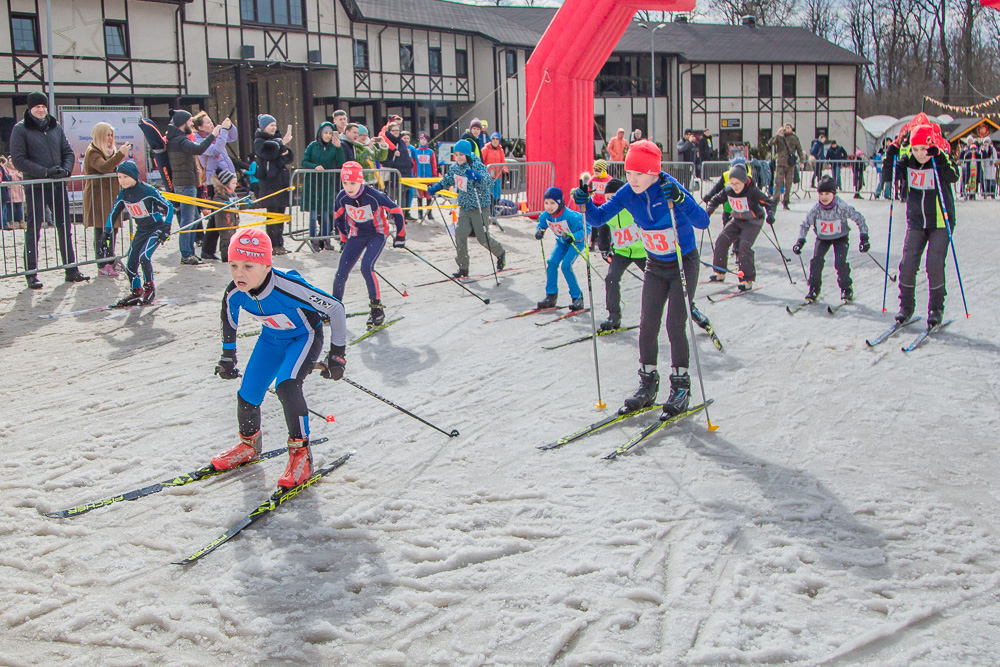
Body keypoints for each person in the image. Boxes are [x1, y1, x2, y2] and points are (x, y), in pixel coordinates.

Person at [572, 139, 710, 418]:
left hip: (684, 263)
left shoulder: (669, 187)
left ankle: (681, 386)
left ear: (653, 172)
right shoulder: (627, 193)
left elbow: (703, 221)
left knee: (674, 324)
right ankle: (647, 383)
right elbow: (599, 219)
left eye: (639, 173)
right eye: (629, 173)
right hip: (656, 265)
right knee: (648, 324)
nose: (632, 179)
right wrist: (585, 203)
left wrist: (682, 199)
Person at [211, 226, 348, 490]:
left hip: (304, 337)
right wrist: (228, 356)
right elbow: (229, 318)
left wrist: (338, 355)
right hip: (271, 339)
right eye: (233, 265)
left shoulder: (288, 286)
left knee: (286, 385)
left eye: (248, 266)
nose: (239, 273)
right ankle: (249, 445)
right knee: (248, 393)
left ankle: (301, 456)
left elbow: (335, 307)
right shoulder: (234, 292)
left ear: (266, 265)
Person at [9, 91, 88, 288]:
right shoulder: (21, 129)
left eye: (44, 106)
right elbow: (18, 159)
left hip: (58, 184)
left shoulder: (55, 126)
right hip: (36, 185)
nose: (41, 110)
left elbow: (68, 152)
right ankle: (31, 273)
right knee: (33, 229)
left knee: (65, 227)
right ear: (30, 108)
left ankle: (71, 269)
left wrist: (66, 169)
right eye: (37, 106)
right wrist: (45, 172)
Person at [892, 123, 959, 328]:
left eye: (923, 148)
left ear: (930, 145)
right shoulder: (909, 162)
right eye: (915, 149)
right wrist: (892, 157)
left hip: (940, 221)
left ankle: (936, 308)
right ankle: (906, 306)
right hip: (917, 221)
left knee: (934, 263)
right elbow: (890, 178)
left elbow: (953, 175)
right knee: (907, 263)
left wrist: (938, 156)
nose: (920, 154)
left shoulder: (939, 159)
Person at [332, 161, 405, 329]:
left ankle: (376, 309)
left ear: (360, 181)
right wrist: (344, 238)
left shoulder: (373, 195)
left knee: (366, 267)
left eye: (353, 183)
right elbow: (338, 217)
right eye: (345, 183)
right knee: (341, 271)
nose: (349, 187)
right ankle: (334, 308)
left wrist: (400, 235)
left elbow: (396, 211)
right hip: (357, 235)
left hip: (377, 233)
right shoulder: (342, 197)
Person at [427, 140, 506, 277]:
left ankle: (500, 252)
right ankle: (463, 266)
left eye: (461, 155)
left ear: (468, 154)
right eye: (456, 155)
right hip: (464, 207)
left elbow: (488, 181)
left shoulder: (477, 165)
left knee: (482, 238)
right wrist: (436, 187)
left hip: (479, 206)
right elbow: (447, 180)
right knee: (460, 234)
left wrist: (478, 177)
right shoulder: (455, 168)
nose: (458, 158)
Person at [101, 161, 174, 307]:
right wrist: (106, 232)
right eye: (119, 177)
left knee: (144, 256)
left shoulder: (148, 190)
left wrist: (167, 226)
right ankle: (136, 291)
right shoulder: (123, 194)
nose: (122, 181)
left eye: (125, 177)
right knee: (130, 264)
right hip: (141, 230)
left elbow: (169, 206)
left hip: (156, 228)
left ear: (134, 176)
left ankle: (149, 289)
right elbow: (113, 213)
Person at [792, 176, 869, 303]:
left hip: (840, 238)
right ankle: (814, 288)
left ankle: (846, 288)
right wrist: (800, 241)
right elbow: (805, 224)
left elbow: (859, 219)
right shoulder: (816, 209)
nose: (824, 197)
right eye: (821, 194)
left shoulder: (842, 207)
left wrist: (864, 238)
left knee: (840, 262)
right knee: (817, 260)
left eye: (827, 193)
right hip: (823, 238)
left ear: (833, 194)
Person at [704, 163, 775, 290]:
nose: (734, 186)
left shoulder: (753, 191)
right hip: (737, 220)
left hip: (753, 221)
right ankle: (719, 271)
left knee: (744, 246)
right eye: (732, 183)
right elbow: (715, 200)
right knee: (722, 240)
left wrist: (770, 213)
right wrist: (708, 211)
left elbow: (769, 203)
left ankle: (747, 279)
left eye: (737, 183)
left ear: (744, 181)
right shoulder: (729, 190)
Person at [166, 109, 223, 264]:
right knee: (188, 220)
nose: (192, 124)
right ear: (182, 123)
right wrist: (213, 135)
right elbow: (197, 149)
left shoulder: (175, 139)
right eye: (190, 121)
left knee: (194, 218)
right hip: (186, 184)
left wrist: (194, 167)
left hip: (184, 182)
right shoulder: (180, 139)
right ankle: (186, 254)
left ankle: (190, 252)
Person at [594, 178, 645, 330]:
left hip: (642, 252)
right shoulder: (607, 211)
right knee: (611, 278)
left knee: (658, 281)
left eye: (614, 198)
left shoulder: (634, 208)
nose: (611, 202)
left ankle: (684, 306)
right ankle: (613, 316)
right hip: (622, 252)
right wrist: (604, 248)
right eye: (607, 199)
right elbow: (602, 228)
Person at [83, 122, 130, 276]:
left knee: (113, 230)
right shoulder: (93, 151)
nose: (110, 138)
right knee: (102, 231)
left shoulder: (108, 151)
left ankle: (111, 260)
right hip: (99, 197)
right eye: (107, 135)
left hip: (110, 196)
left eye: (111, 135)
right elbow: (104, 167)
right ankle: (102, 264)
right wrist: (120, 154)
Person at [534, 186, 586, 312]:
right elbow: (541, 225)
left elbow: (586, 228)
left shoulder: (571, 216)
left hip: (575, 243)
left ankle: (577, 297)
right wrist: (539, 231)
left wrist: (573, 236)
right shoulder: (545, 216)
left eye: (552, 203)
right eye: (546, 203)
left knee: (566, 266)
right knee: (552, 263)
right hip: (562, 243)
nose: (549, 206)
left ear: (560, 202)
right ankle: (551, 296)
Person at [253, 114, 294, 254]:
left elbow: (289, 156)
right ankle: (272, 244)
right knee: (272, 214)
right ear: (264, 126)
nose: (273, 128)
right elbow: (268, 154)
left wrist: (281, 148)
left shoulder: (276, 139)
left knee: (281, 213)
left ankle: (279, 243)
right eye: (271, 125)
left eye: (275, 125)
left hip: (281, 181)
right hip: (269, 182)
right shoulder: (259, 140)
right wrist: (281, 144)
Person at [301, 121, 345, 251]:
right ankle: (313, 239)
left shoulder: (334, 146)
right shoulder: (313, 146)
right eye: (325, 132)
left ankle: (326, 239)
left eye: (330, 133)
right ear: (320, 133)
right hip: (313, 183)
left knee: (326, 213)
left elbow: (341, 162)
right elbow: (304, 161)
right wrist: (314, 166)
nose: (327, 135)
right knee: (313, 214)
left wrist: (339, 148)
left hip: (327, 183)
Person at [192, 112, 238, 185]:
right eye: (207, 123)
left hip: (227, 176)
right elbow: (216, 150)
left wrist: (229, 127)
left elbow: (233, 137)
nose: (211, 124)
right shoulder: (199, 141)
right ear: (200, 127)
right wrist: (224, 130)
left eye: (210, 121)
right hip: (214, 181)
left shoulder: (216, 135)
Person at [768, 123, 806, 210]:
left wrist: (802, 161)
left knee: (788, 183)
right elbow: (771, 143)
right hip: (780, 162)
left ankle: (786, 201)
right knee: (778, 182)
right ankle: (775, 201)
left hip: (790, 164)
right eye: (785, 128)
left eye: (788, 128)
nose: (786, 129)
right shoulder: (780, 137)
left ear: (791, 129)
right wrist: (777, 134)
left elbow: (799, 150)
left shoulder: (794, 138)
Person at [210, 169, 241, 262]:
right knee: (226, 240)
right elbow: (216, 203)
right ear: (226, 183)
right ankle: (226, 257)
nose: (236, 185)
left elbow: (237, 204)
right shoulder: (220, 193)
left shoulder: (232, 194)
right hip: (224, 221)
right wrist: (225, 204)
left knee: (232, 238)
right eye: (233, 183)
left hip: (233, 221)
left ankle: (232, 255)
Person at [413, 134, 438, 221]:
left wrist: (434, 176)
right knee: (420, 195)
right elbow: (414, 164)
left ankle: (429, 213)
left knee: (428, 195)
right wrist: (414, 174)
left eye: (424, 139)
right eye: (421, 139)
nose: (422, 141)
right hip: (419, 177)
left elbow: (433, 164)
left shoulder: (431, 152)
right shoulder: (416, 151)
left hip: (429, 177)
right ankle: (420, 213)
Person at [481, 132, 508, 209]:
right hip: (488, 176)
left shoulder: (501, 150)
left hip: (497, 175)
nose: (495, 140)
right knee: (490, 194)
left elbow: (503, 161)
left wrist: (506, 171)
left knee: (497, 194)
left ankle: (492, 209)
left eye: (497, 139)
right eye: (493, 138)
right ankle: (490, 210)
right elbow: (481, 160)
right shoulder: (486, 149)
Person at [0, 157, 24, 229]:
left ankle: (21, 222)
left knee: (19, 207)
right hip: (9, 190)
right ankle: (7, 223)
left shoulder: (19, 169)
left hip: (17, 190)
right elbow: (6, 178)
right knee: (7, 208)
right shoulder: (5, 169)